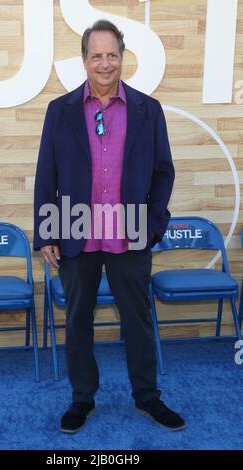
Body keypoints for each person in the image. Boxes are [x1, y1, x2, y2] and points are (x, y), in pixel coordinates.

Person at [34, 19, 185, 433]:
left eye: (112, 55)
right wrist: (47, 231)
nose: (105, 63)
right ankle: (82, 400)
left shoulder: (147, 110)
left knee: (137, 319)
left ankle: (148, 398)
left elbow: (163, 172)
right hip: (75, 231)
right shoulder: (59, 111)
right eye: (96, 55)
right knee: (78, 318)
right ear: (84, 60)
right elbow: (47, 174)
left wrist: (153, 225)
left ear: (122, 58)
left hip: (130, 232)